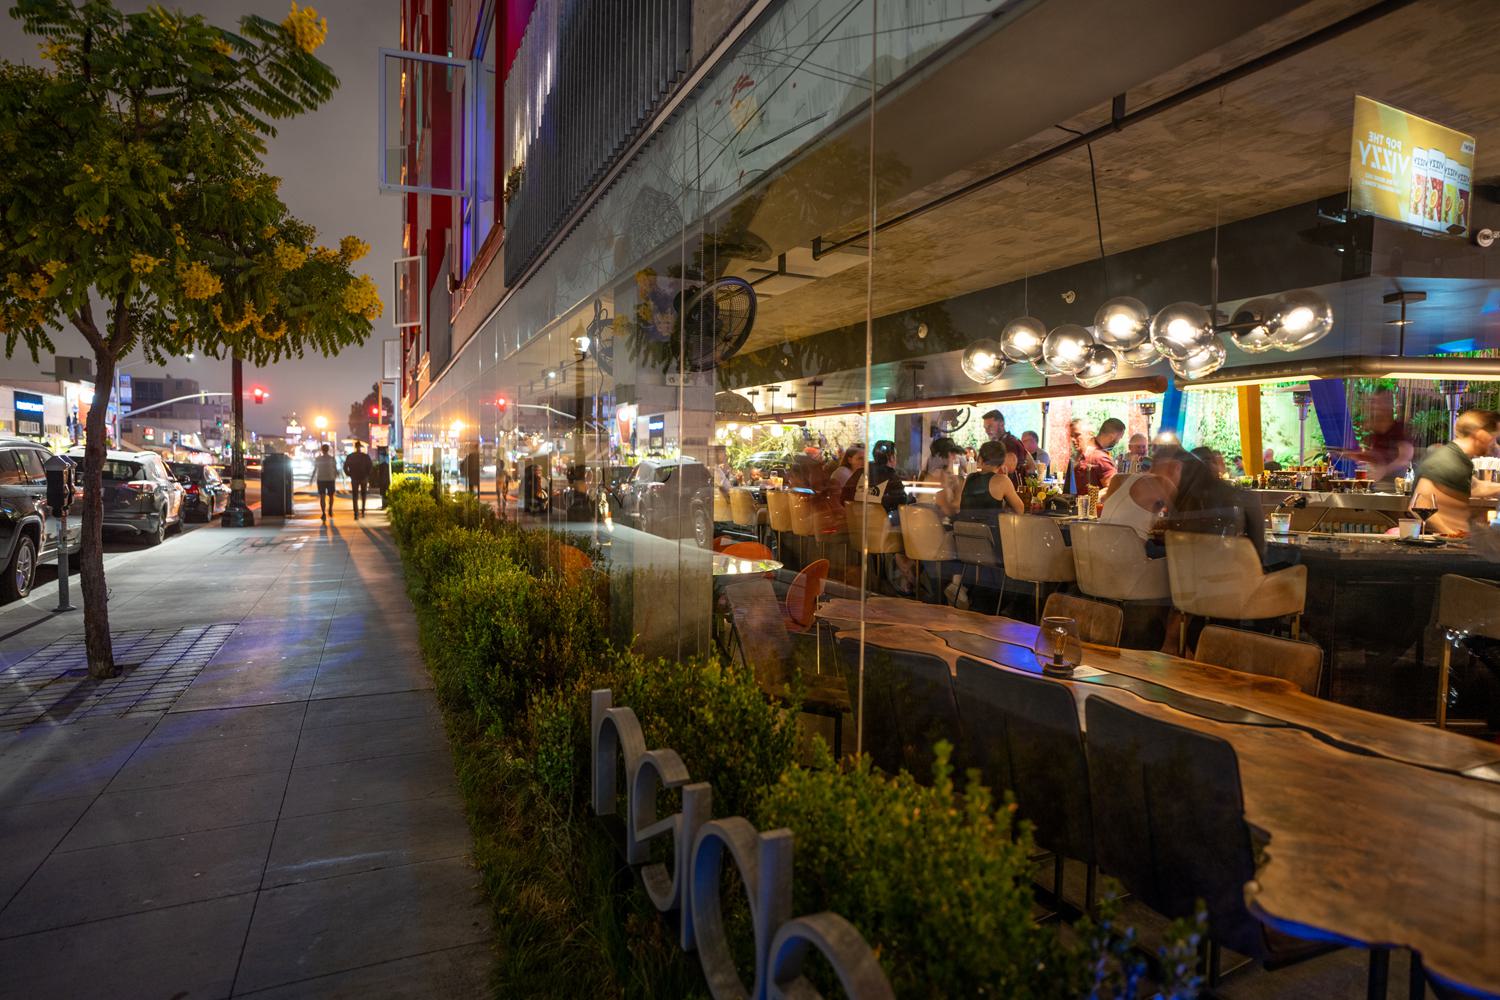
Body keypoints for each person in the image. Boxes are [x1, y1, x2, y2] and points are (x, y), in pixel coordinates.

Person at [1165, 450, 1270, 563]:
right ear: (1214, 467)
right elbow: (1259, 551)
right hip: (1233, 573)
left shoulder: (1179, 502)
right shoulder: (1244, 498)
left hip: (1187, 576)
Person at [1410, 409, 1500, 536]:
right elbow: (1419, 504)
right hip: (1442, 546)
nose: (1495, 445)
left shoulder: (1459, 460)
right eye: (1494, 438)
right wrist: (1451, 534)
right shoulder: (1446, 460)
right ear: (1481, 435)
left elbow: (1475, 487)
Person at [1100, 444, 1183, 541]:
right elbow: (1180, 521)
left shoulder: (1117, 478)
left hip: (1098, 549)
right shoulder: (1164, 484)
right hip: (1129, 553)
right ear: (1175, 467)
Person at [1348, 389, 1414, 488]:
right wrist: (1358, 455)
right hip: (1378, 486)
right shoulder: (1376, 432)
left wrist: (1383, 471)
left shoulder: (1399, 430)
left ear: (1389, 405)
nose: (1375, 407)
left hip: (1395, 487)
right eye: (1374, 403)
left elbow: (1404, 459)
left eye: (1379, 403)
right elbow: (1378, 457)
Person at [959, 441, 1025, 515]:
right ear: (1002, 462)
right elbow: (1020, 509)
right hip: (990, 526)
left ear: (980, 459)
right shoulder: (1003, 480)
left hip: (963, 525)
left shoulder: (969, 477)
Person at [981, 410, 1031, 483]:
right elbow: (1032, 464)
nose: (986, 431)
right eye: (985, 428)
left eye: (990, 426)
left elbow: (1007, 468)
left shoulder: (1009, 443)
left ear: (1001, 424)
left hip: (1012, 489)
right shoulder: (1011, 440)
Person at [1076, 418, 1125, 490]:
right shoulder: (1101, 459)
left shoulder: (1085, 450)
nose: (1117, 442)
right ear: (1112, 436)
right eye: (1119, 438)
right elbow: (1115, 490)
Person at [866, 439, 908, 513]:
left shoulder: (863, 473)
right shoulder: (891, 478)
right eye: (895, 455)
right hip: (884, 521)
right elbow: (902, 502)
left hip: (861, 521)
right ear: (892, 458)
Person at [343, 440, 373, 519]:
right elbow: (370, 466)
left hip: (355, 477)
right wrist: (367, 475)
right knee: (363, 495)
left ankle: (356, 513)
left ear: (355, 447)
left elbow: (345, 467)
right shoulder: (365, 456)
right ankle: (362, 511)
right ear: (360, 447)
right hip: (363, 477)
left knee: (355, 496)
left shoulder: (351, 456)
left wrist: (349, 474)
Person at [310, 443, 338, 521]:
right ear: (328, 449)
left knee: (322, 497)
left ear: (321, 450)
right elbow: (335, 469)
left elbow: (315, 469)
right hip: (330, 479)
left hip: (321, 479)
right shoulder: (332, 458)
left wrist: (311, 479)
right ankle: (330, 509)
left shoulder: (318, 459)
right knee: (331, 496)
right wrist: (335, 476)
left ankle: (323, 513)